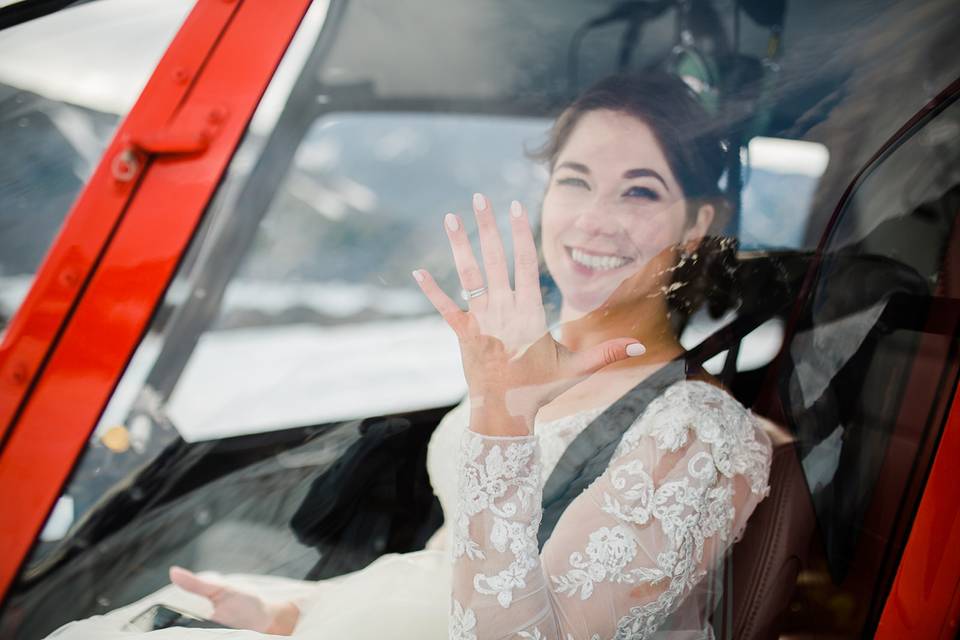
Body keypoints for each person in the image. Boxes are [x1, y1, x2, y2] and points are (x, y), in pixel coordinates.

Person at [45, 73, 772, 640]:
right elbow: (448, 561)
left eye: (639, 191)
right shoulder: (525, 353)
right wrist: (296, 614)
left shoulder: (701, 434)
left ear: (699, 223)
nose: (593, 220)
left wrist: (501, 417)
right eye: (574, 180)